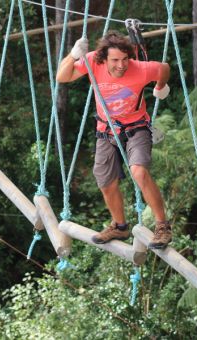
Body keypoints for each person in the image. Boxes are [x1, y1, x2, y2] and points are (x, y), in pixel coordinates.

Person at [56, 31, 172, 249]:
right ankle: (120, 226)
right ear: (104, 59)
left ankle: (162, 226)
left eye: (125, 59)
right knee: (105, 182)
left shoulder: (141, 69)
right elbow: (62, 77)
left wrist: (160, 88)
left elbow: (163, 69)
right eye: (115, 60)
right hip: (106, 129)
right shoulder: (92, 62)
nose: (121, 65)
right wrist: (73, 55)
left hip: (136, 128)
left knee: (138, 171)